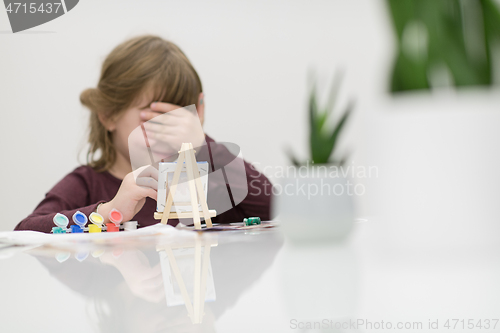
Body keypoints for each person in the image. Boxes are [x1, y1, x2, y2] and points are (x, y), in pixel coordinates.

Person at [15, 35, 272, 233]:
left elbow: (271, 207)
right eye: (153, 118)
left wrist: (203, 145)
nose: (168, 132)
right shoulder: (87, 184)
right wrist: (109, 212)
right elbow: (25, 231)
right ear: (108, 114)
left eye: (179, 119)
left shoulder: (201, 180)